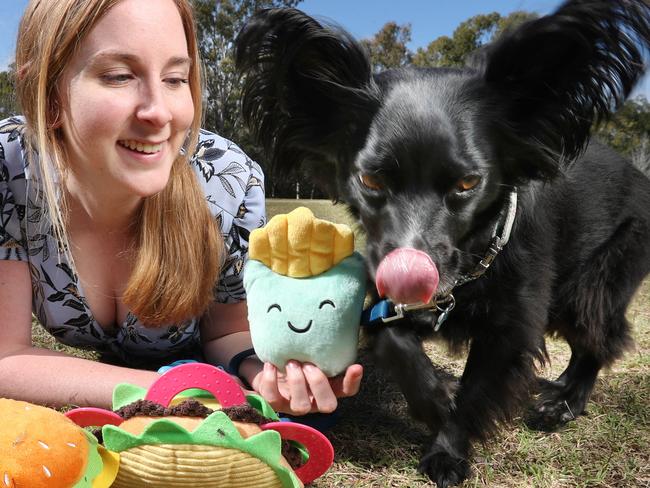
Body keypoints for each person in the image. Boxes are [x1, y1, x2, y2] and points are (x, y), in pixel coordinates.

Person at [0, 0, 362, 416]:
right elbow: (6, 356)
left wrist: (261, 374)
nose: (159, 113)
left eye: (175, 78)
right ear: (46, 96)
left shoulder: (227, 181)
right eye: (119, 76)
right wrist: (184, 388)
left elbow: (228, 329)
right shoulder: (9, 169)